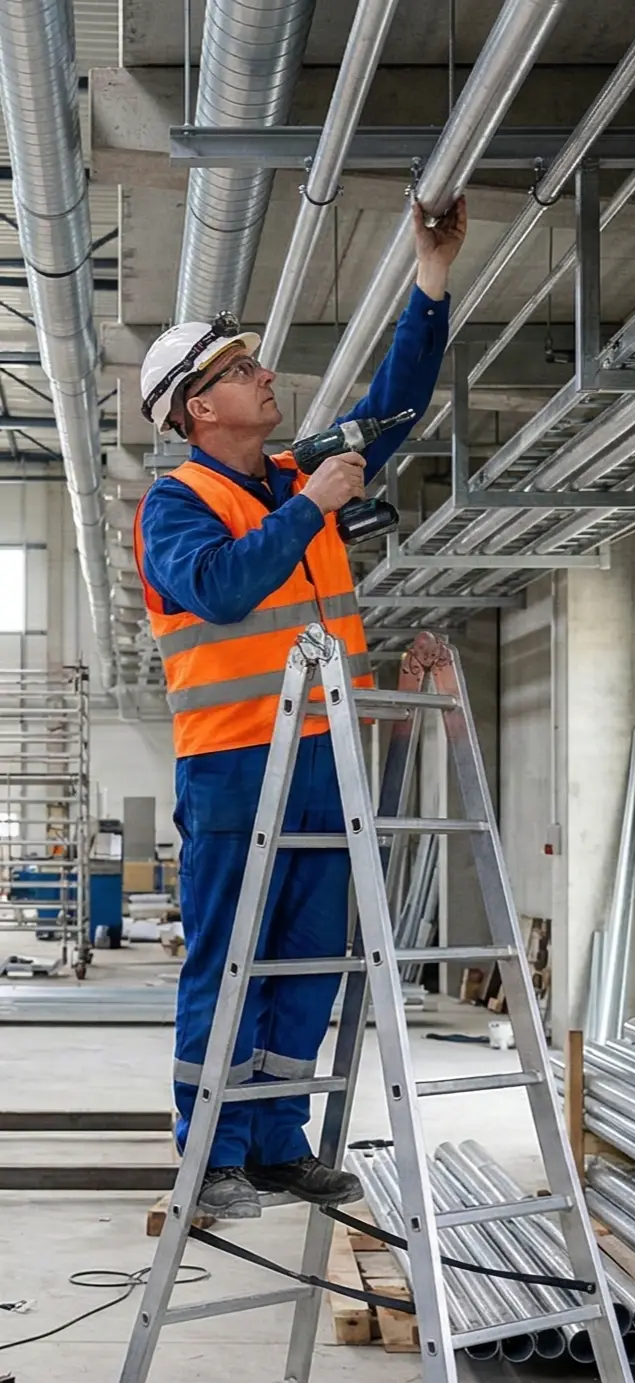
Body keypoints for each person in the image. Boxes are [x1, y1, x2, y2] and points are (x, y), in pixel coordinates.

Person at [134, 198, 467, 1219]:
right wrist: (311, 506)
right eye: (239, 371)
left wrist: (429, 273)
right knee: (228, 960)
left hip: (325, 754)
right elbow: (225, 588)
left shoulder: (290, 474)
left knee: (309, 958)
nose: (263, 376)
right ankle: (212, 1159)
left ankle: (278, 1143)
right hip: (234, 763)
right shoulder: (179, 502)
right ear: (197, 408)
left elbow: (396, 407)